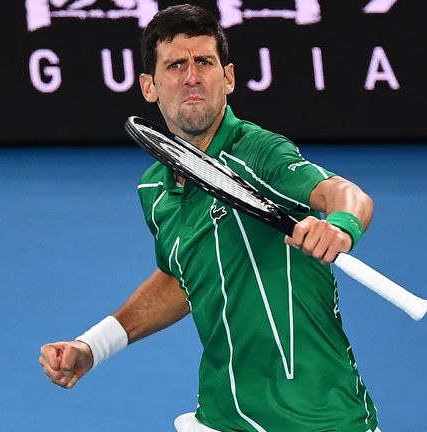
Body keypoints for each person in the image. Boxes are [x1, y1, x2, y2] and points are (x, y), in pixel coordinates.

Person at [38, 4, 382, 432]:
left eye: (204, 62)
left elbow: (343, 194)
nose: (192, 76)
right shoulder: (154, 189)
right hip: (222, 415)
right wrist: (92, 346)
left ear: (229, 77)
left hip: (317, 414)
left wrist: (340, 226)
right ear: (149, 86)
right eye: (176, 65)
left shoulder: (259, 152)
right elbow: (181, 278)